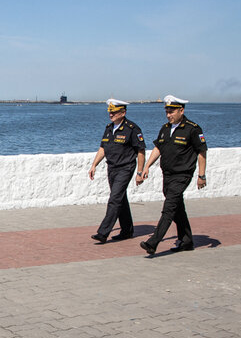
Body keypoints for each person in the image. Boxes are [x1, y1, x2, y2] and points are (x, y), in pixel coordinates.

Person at [138, 95, 208, 254]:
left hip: (182, 175)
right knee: (177, 208)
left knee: (169, 208)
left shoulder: (192, 128)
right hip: (167, 174)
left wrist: (201, 176)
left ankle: (152, 243)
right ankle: (187, 241)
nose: (169, 115)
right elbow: (158, 148)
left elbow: (202, 152)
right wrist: (147, 166)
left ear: (181, 110)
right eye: (167, 112)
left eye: (172, 112)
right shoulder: (165, 128)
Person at [88, 98, 146, 242]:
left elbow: (141, 151)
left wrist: (140, 172)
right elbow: (103, 147)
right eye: (110, 112)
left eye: (114, 112)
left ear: (123, 112)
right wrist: (94, 164)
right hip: (112, 167)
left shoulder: (132, 129)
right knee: (120, 198)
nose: (111, 115)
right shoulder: (109, 128)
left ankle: (103, 232)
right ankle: (127, 230)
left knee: (114, 199)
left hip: (125, 168)